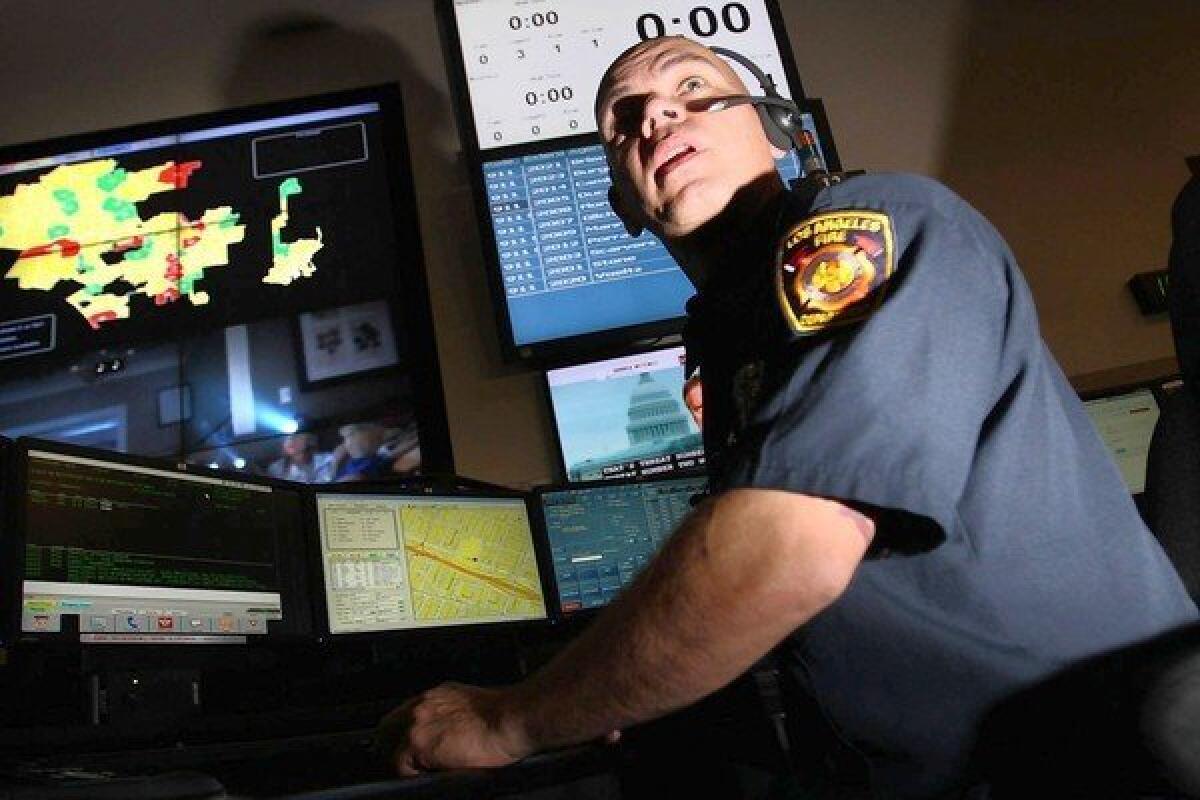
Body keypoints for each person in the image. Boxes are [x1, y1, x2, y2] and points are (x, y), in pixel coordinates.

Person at [378, 36, 1198, 797]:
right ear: (622, 201)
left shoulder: (880, 223)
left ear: (777, 132)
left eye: (694, 89)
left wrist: (507, 719)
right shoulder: (736, 332)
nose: (656, 115)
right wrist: (615, 677)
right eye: (622, 123)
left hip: (1076, 766)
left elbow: (793, 549)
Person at [267, 432, 335, 483]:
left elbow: (336, 455)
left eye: (297, 436)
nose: (292, 441)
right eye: (291, 438)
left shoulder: (325, 460)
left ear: (311, 441)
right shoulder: (276, 468)